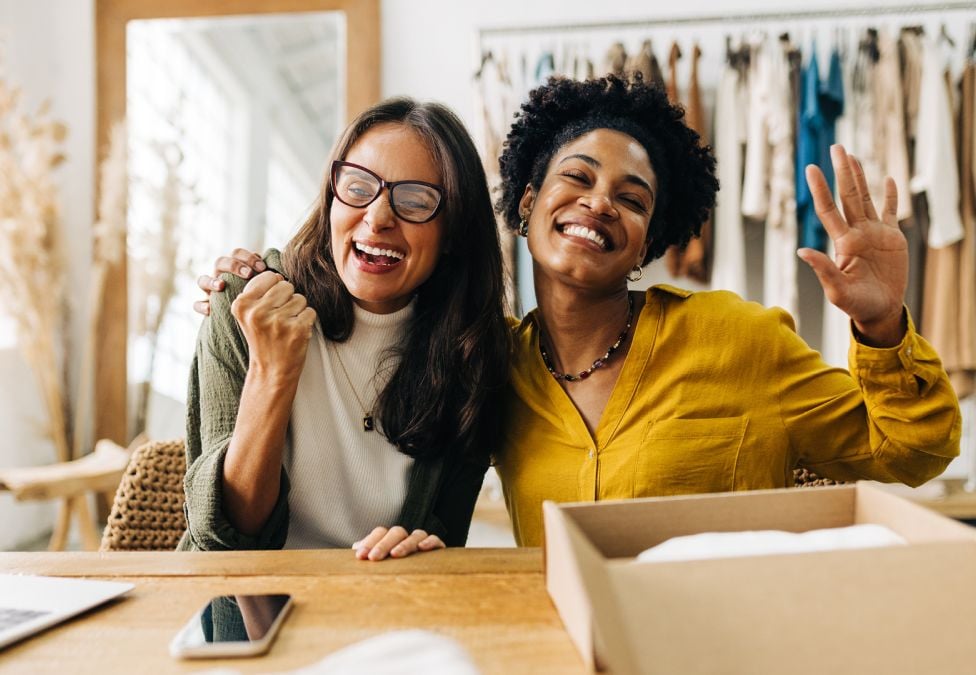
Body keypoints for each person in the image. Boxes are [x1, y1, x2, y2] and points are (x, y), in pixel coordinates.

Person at [197, 76, 960, 550]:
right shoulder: (493, 363)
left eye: (632, 199)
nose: (600, 202)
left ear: (648, 244)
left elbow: (912, 451)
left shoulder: (740, 338)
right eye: (579, 178)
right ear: (527, 203)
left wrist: (882, 325)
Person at [178, 97, 510, 558]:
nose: (377, 218)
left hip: (381, 612)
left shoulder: (474, 354)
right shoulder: (247, 305)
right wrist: (271, 374)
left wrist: (421, 547)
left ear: (453, 230)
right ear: (332, 197)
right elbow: (222, 536)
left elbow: (445, 542)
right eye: (357, 188)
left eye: (415, 200)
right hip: (245, 616)